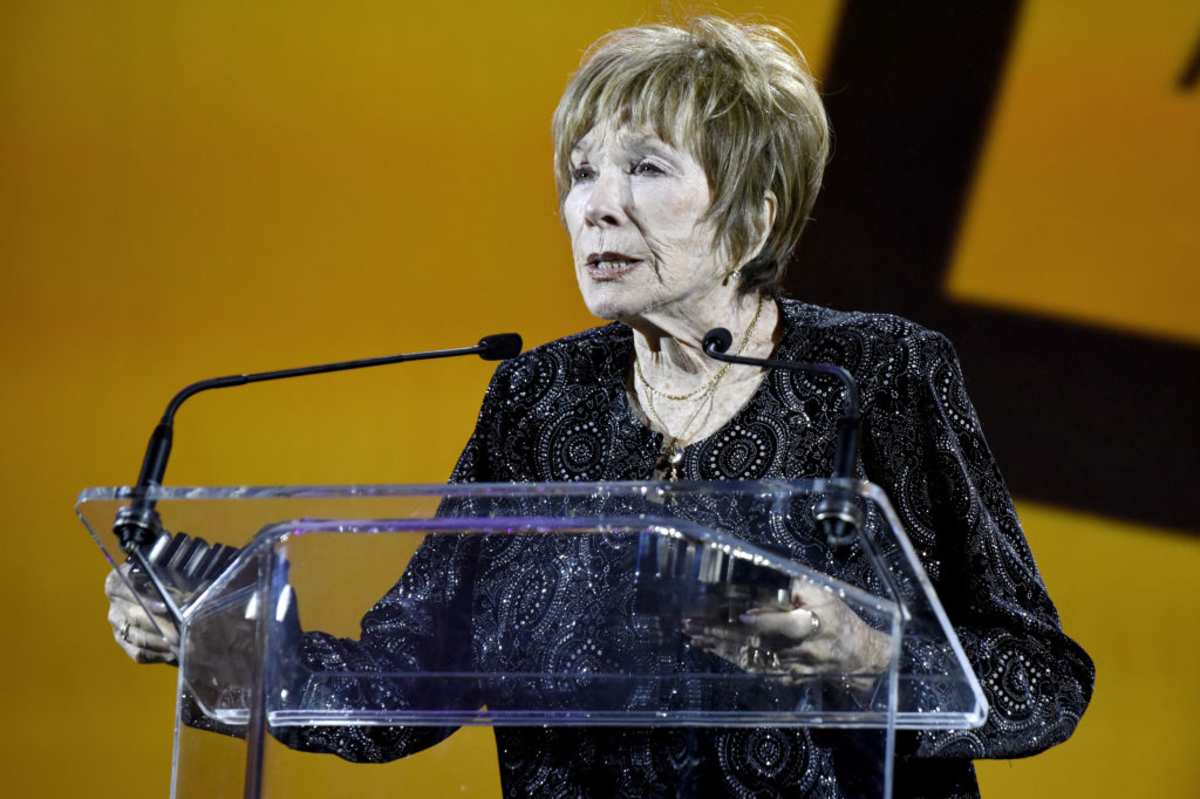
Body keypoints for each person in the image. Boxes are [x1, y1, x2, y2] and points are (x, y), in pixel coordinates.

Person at [105, 16, 1094, 797]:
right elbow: (402, 688)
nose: (596, 204)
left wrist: (876, 661)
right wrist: (223, 640)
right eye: (583, 172)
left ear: (754, 213)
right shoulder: (535, 398)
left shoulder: (878, 374)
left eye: (646, 168)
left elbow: (1043, 680)